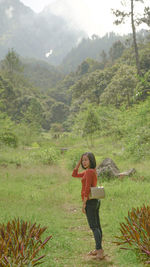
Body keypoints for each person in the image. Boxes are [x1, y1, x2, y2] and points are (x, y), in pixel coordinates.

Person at [72, 152, 104, 260]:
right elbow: (74, 175)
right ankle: (98, 248)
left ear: (91, 160)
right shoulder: (89, 171)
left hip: (90, 202)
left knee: (94, 227)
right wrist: (78, 163)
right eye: (82, 160)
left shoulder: (89, 172)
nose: (84, 162)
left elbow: (87, 189)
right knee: (97, 226)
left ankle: (99, 251)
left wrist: (84, 203)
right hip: (95, 200)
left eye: (86, 160)